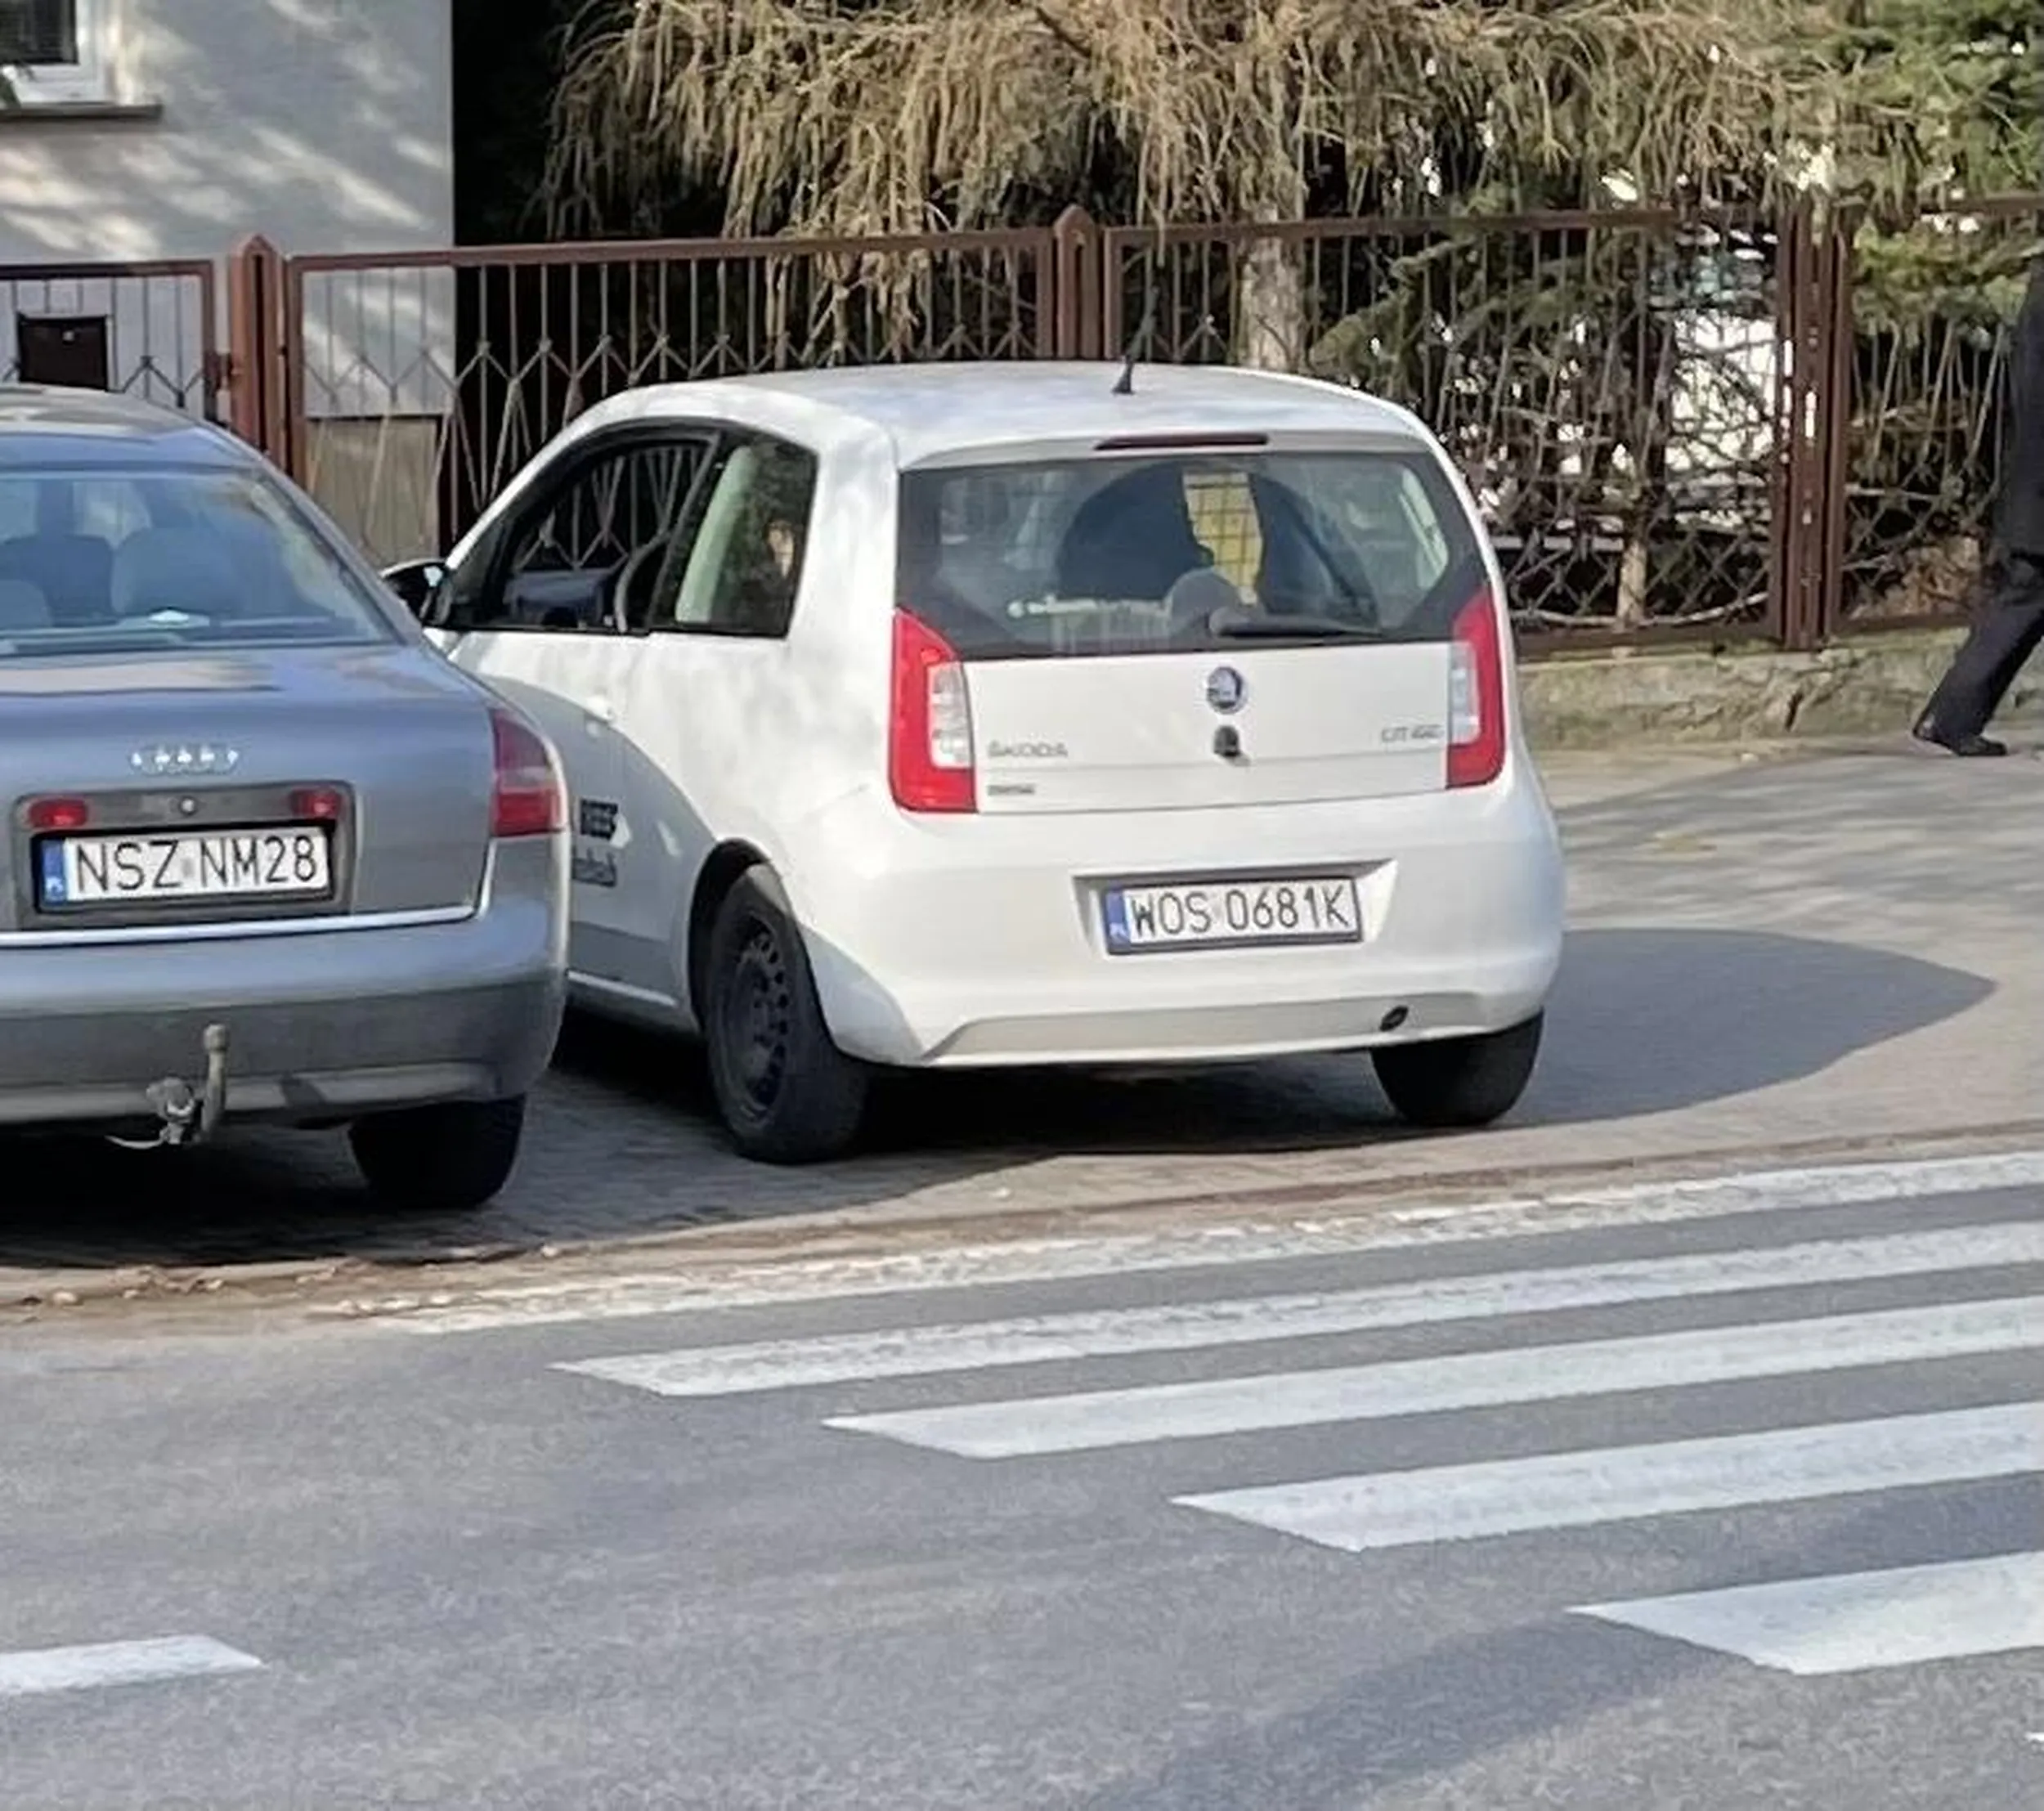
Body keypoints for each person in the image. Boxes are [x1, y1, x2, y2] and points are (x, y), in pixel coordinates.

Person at [1912, 254, 2044, 756]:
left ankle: (1950, 714)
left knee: (2024, 599)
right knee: (2025, 597)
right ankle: (1950, 714)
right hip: (2040, 484)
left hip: (2032, 483)